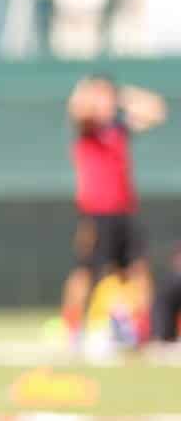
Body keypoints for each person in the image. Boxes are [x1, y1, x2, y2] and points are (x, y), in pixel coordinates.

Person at [61, 74, 165, 347]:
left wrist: (121, 97)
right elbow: (77, 108)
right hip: (96, 213)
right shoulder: (87, 128)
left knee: (139, 270)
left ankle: (144, 329)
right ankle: (72, 327)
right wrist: (92, 96)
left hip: (124, 212)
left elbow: (157, 110)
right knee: (86, 272)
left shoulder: (118, 127)